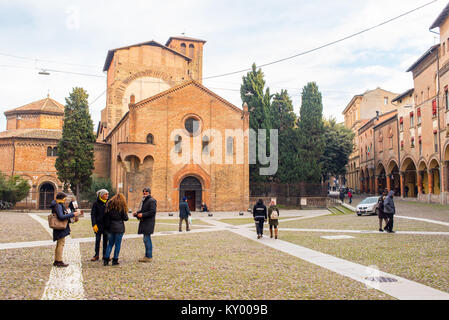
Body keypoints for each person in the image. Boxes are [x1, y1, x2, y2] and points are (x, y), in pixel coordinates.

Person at [50, 192, 81, 267]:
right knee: (61, 243)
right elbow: (61, 216)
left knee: (59, 243)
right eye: (65, 198)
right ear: (62, 198)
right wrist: (73, 214)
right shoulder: (58, 206)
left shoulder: (57, 205)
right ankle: (59, 261)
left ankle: (57, 260)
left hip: (59, 227)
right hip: (60, 227)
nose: (65, 200)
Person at [103, 193, 129, 266]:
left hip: (111, 227)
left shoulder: (109, 206)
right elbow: (126, 218)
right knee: (117, 245)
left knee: (110, 244)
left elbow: (106, 217)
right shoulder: (122, 207)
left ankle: (106, 259)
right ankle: (115, 260)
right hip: (119, 228)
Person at [133, 187, 157, 262]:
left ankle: (148, 256)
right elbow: (143, 210)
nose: (144, 192)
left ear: (149, 192)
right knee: (146, 239)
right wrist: (136, 214)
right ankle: (147, 256)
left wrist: (142, 215)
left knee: (147, 239)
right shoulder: (145, 200)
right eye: (143, 191)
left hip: (148, 223)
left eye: (146, 191)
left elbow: (152, 212)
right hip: (145, 222)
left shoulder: (152, 200)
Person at [90, 189, 109, 261]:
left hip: (106, 225)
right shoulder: (96, 203)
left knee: (105, 241)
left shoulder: (108, 202)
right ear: (101, 195)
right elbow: (93, 214)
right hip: (98, 225)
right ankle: (96, 255)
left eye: (107, 194)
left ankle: (105, 255)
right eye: (105, 194)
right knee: (97, 240)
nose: (107, 196)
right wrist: (94, 224)